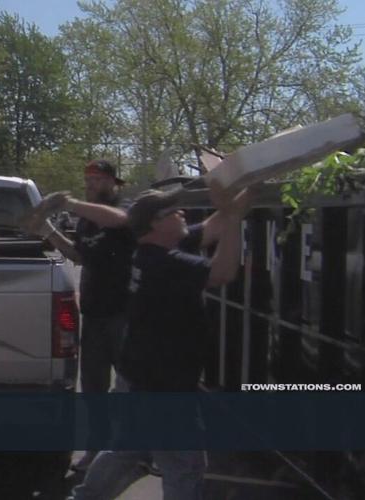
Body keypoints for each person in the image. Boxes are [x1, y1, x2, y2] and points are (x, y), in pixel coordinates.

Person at [67, 181, 251, 500]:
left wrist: (245, 190)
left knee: (127, 451)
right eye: (173, 211)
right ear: (155, 224)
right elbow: (222, 272)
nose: (182, 213)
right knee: (184, 466)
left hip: (140, 377)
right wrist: (234, 216)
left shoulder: (154, 250)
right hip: (162, 386)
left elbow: (212, 227)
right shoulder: (163, 264)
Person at [33, 160, 134, 472]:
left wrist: (70, 204)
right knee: (93, 389)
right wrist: (47, 230)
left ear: (114, 182)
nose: (91, 184)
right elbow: (78, 255)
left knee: (132, 387)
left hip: (125, 314)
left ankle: (137, 452)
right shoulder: (86, 221)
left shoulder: (125, 209)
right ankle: (95, 450)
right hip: (94, 314)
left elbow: (120, 220)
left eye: (98, 179)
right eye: (88, 178)